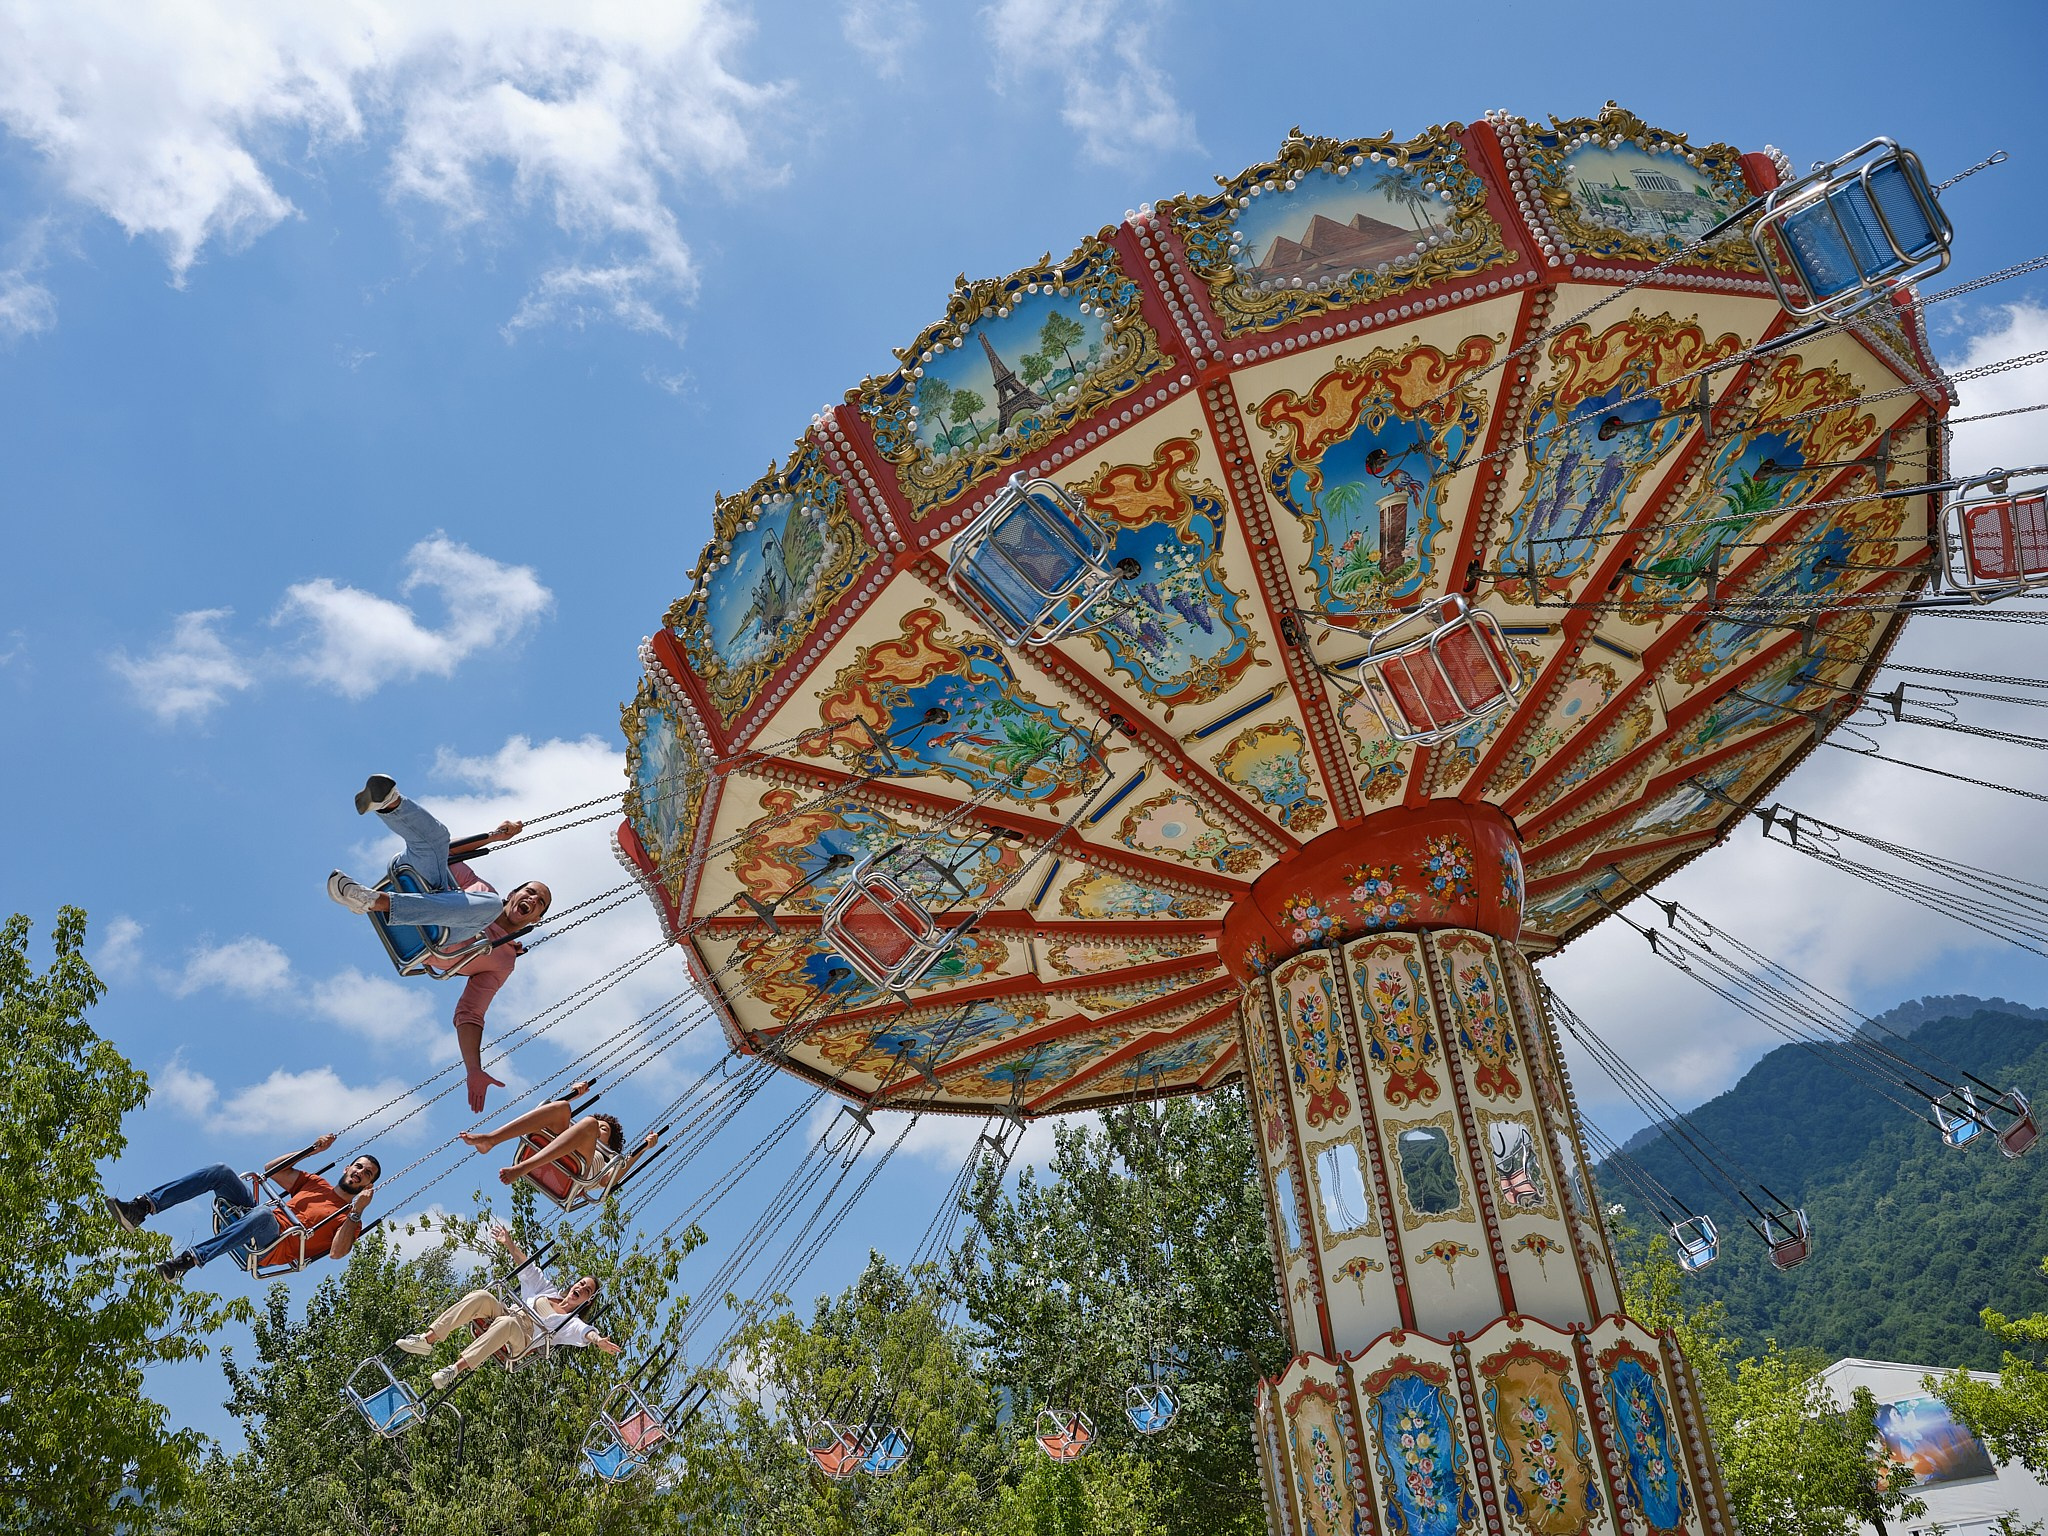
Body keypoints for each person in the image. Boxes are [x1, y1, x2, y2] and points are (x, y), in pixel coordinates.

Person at [327, 774, 552, 1112]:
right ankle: (389, 803)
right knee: (438, 839)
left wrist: (473, 1069)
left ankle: (376, 902)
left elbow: (470, 1013)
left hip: (440, 942)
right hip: (419, 888)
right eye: (530, 893)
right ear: (514, 894)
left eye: (539, 904)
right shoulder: (481, 887)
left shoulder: (503, 960)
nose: (532, 900)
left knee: (486, 907)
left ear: (535, 920)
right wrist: (494, 836)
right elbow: (444, 854)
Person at [105, 1131, 377, 1283]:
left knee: (263, 1214)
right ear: (347, 1167)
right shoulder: (316, 1183)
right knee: (221, 1171)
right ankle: (140, 1208)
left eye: (367, 1174)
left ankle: (187, 1261)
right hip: (253, 1220)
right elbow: (272, 1170)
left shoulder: (350, 1219)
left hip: (268, 1246)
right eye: (359, 1166)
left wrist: (356, 1211)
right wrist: (311, 1151)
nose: (360, 1172)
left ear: (367, 1186)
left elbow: (337, 1254)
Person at [394, 1222, 620, 1389]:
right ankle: (427, 1340)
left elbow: (585, 1332)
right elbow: (528, 1267)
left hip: (522, 1337)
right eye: (580, 1283)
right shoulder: (547, 1291)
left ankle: (454, 1369)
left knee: (508, 1323)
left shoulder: (571, 1322)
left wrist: (598, 1340)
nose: (579, 1288)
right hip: (510, 1313)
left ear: (588, 1300)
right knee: (482, 1296)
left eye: (586, 1290)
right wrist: (509, 1243)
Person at [458, 1080, 660, 1194]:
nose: (599, 1129)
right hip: (558, 1149)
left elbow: (610, 1181)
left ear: (610, 1145)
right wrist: (574, 1096)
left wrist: (643, 1149)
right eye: (599, 1126)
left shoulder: (606, 1160)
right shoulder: (582, 1129)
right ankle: (490, 1140)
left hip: (580, 1172)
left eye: (604, 1130)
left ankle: (523, 1167)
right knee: (563, 1108)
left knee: (587, 1122)